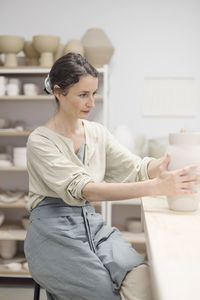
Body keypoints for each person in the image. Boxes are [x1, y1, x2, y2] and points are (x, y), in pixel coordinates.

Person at [24, 52, 200, 300]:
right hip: (53, 233)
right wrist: (156, 187)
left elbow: (136, 168)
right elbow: (86, 189)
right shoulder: (40, 141)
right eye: (83, 95)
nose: (92, 102)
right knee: (103, 293)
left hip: (91, 226)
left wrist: (177, 154)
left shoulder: (97, 132)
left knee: (142, 279)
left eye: (93, 93)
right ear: (58, 92)